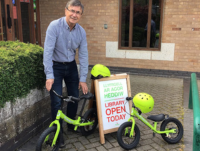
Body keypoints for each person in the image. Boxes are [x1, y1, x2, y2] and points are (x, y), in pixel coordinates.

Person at [43, 0, 88, 147]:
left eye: (77, 12)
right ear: (66, 10)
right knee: (56, 101)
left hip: (71, 67)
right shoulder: (54, 26)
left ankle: (70, 125)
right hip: (56, 66)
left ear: (81, 15)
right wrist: (49, 75)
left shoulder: (81, 32)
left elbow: (83, 55)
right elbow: (48, 52)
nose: (74, 14)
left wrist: (83, 79)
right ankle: (58, 133)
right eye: (72, 11)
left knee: (74, 97)